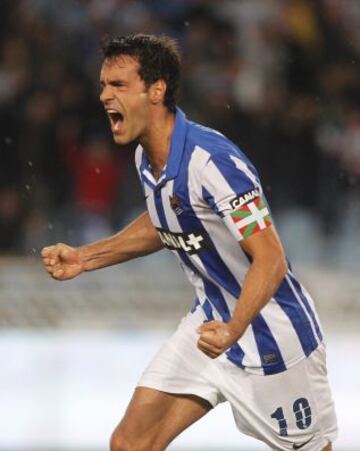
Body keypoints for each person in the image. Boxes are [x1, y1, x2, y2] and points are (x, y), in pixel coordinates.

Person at [41, 34, 337, 451]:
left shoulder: (213, 162)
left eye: (118, 85)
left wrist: (235, 328)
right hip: (208, 326)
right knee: (130, 444)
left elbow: (270, 258)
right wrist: (87, 258)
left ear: (156, 89)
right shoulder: (148, 157)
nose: (104, 95)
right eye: (104, 84)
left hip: (271, 337)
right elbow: (166, 219)